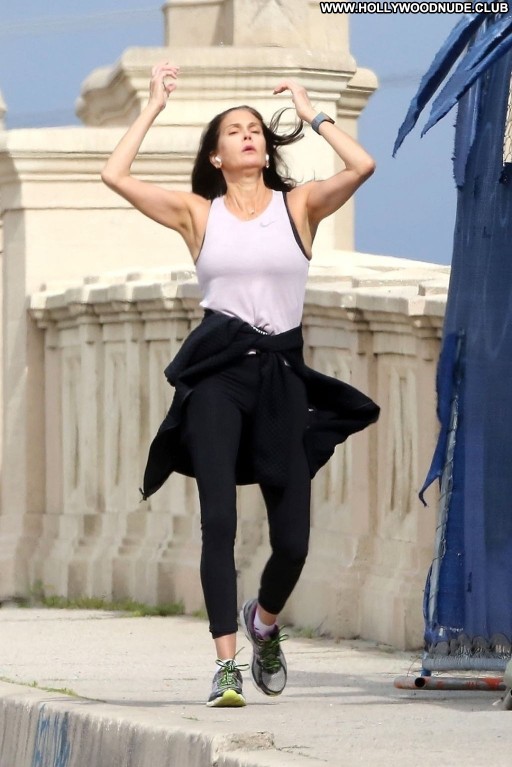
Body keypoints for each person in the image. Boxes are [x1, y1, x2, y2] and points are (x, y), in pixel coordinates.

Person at [102, 61, 379, 708]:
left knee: (293, 541)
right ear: (217, 156)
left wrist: (313, 114)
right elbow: (115, 175)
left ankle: (264, 622)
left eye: (255, 128)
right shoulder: (198, 214)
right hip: (217, 378)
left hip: (281, 379)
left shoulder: (299, 205)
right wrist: (153, 106)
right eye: (234, 130)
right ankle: (225, 664)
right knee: (219, 521)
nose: (249, 135)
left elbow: (363, 165)